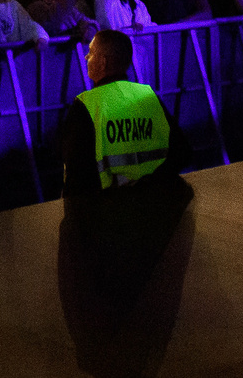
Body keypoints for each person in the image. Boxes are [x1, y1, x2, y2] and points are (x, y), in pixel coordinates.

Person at [55, 29, 193, 378]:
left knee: (101, 312)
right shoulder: (148, 97)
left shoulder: (88, 106)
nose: (87, 59)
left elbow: (77, 178)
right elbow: (180, 151)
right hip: (151, 223)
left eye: (90, 53)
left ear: (104, 61)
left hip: (106, 227)